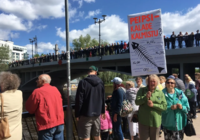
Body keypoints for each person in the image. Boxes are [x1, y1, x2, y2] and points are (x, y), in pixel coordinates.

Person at [26, 74, 64, 140]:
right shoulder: (55, 89)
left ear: (43, 81)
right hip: (59, 123)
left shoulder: (37, 92)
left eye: (38, 79)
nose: (36, 81)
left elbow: (30, 109)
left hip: (46, 125)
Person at [75, 65, 105, 140]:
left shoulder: (83, 82)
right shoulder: (101, 82)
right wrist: (103, 111)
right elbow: (102, 98)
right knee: (97, 136)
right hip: (97, 113)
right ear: (95, 72)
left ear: (88, 72)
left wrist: (77, 113)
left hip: (86, 113)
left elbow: (79, 99)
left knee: (85, 136)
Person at [135, 74, 167, 140]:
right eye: (150, 81)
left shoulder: (160, 93)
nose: (152, 83)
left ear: (157, 82)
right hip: (143, 121)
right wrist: (145, 97)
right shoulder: (142, 90)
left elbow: (164, 107)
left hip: (155, 121)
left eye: (154, 81)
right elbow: (137, 102)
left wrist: (154, 105)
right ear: (147, 82)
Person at [0, 72, 22, 140]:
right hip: (17, 135)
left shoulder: (2, 98)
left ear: (2, 84)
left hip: (4, 136)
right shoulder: (19, 94)